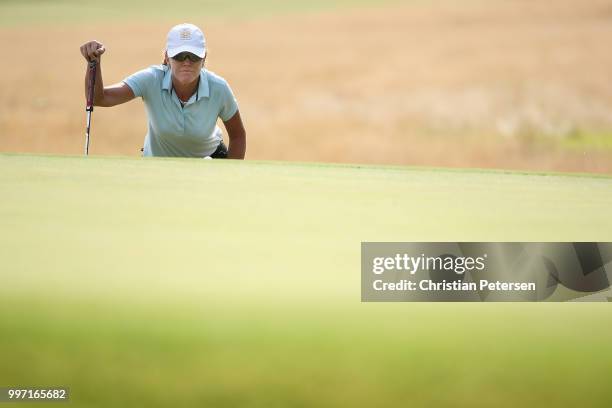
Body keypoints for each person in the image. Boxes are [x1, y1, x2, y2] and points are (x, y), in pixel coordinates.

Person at [80, 23, 246, 159]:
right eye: (179, 55)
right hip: (157, 165)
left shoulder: (218, 87)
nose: (186, 62)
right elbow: (99, 98)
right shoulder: (151, 78)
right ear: (167, 57)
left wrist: (230, 175)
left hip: (209, 160)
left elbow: (238, 136)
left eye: (193, 56)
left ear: (203, 59)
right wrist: (93, 63)